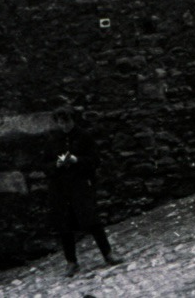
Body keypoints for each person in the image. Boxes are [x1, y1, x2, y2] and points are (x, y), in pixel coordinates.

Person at [46, 104, 120, 277]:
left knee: (92, 220)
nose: (64, 126)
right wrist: (56, 165)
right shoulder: (53, 139)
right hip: (60, 188)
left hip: (80, 185)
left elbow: (95, 160)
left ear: (73, 120)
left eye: (67, 121)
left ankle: (108, 254)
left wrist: (76, 160)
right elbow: (44, 164)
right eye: (60, 122)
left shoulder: (84, 137)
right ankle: (71, 262)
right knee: (65, 226)